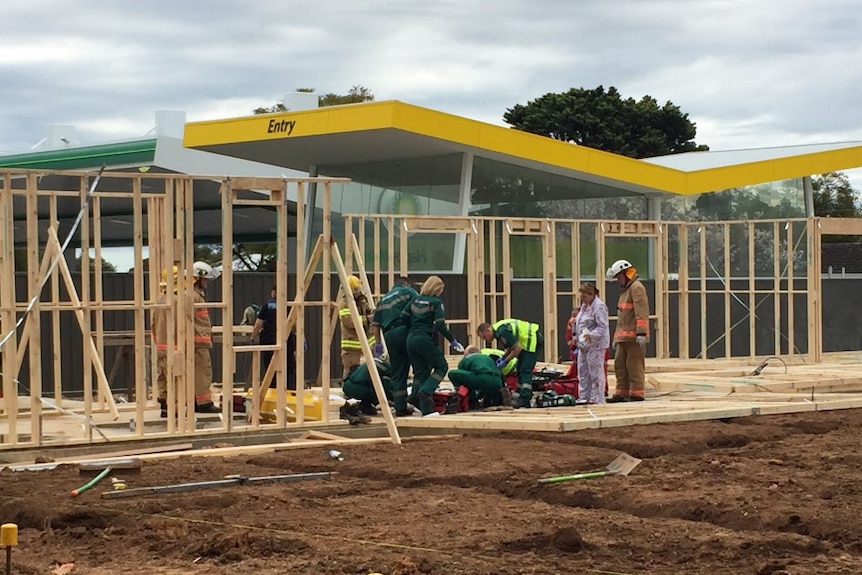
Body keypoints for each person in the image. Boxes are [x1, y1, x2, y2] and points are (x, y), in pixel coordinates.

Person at [404, 276, 464, 416]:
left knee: (421, 371)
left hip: (411, 339)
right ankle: (425, 392)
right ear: (437, 289)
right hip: (425, 338)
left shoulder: (415, 300)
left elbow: (403, 316)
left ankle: (417, 400)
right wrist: (452, 340)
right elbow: (440, 324)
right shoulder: (436, 302)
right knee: (441, 366)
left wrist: (413, 329)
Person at [370, 276, 417, 416]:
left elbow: (375, 325)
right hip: (404, 330)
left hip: (389, 335)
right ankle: (418, 398)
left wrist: (378, 344)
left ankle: (400, 407)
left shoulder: (383, 300)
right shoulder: (408, 291)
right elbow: (421, 306)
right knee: (420, 365)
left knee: (398, 372)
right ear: (406, 284)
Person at [606, 259, 650, 403]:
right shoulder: (625, 290)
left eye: (619, 277)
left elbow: (641, 312)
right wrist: (616, 339)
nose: (618, 280)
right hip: (623, 337)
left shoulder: (636, 288)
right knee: (620, 365)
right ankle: (621, 392)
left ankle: (637, 393)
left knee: (634, 366)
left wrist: (641, 332)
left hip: (634, 337)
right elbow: (622, 317)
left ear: (626, 274)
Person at [477, 318, 543, 409]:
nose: (486, 340)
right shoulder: (499, 330)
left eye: (484, 337)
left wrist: (505, 361)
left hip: (531, 340)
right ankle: (521, 395)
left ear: (488, 330)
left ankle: (525, 398)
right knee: (520, 369)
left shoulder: (502, 331)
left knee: (525, 369)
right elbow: (511, 347)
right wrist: (503, 358)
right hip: (527, 340)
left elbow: (517, 348)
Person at [250, 286, 298, 390]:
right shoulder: (288, 305)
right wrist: (301, 339)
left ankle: (273, 391)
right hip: (286, 340)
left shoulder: (267, 306)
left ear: (273, 292)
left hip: (269, 341)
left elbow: (258, 324)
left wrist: (253, 338)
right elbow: (295, 323)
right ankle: (290, 390)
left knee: (270, 368)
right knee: (288, 366)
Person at [191, 261, 221, 413]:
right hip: (198, 342)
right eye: (206, 279)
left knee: (198, 373)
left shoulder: (196, 295)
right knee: (203, 372)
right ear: (198, 278)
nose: (207, 282)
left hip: (198, 341)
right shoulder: (194, 296)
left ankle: (197, 401)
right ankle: (204, 404)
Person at [573, 282, 610, 405]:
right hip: (583, 345)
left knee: (595, 372)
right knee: (583, 372)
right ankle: (584, 397)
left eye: (585, 296)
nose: (582, 299)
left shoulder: (599, 307)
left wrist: (591, 334)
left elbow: (602, 327)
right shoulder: (584, 306)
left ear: (591, 294)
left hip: (596, 345)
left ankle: (596, 398)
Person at [151, 266, 178, 418]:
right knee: (174, 379)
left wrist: (157, 341)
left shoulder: (160, 299)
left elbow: (153, 324)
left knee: (162, 377)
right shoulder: (176, 300)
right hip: (173, 346)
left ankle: (164, 407)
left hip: (161, 345)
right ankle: (175, 411)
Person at [338, 275, 375, 379]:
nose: (359, 292)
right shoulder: (344, 303)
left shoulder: (362, 302)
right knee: (351, 373)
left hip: (367, 345)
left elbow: (369, 313)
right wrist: (366, 320)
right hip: (352, 347)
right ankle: (347, 392)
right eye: (356, 290)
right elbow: (349, 321)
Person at [339, 357, 393, 424]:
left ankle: (363, 406)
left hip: (348, 384)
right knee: (379, 392)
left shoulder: (379, 362)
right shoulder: (388, 369)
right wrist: (397, 401)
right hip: (355, 387)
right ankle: (362, 407)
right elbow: (386, 389)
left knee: (374, 389)